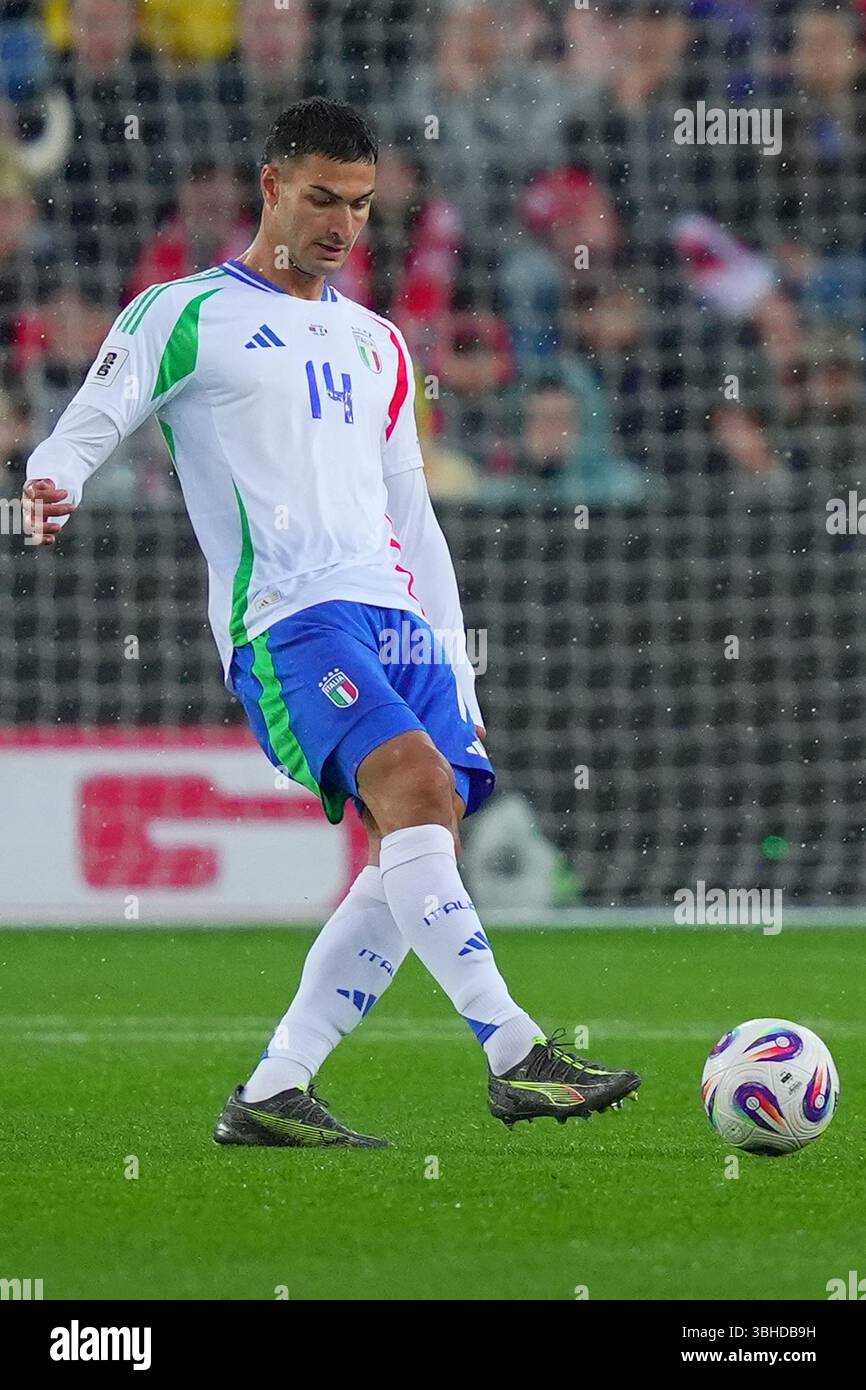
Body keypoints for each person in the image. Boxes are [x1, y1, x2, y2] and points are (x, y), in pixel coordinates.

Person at [21, 97, 640, 1148]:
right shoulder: (184, 313)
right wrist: (52, 478)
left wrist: (457, 668)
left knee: (423, 826)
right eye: (320, 198)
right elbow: (93, 416)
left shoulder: (379, 343)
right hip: (287, 617)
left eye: (358, 204)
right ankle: (513, 1052)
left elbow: (413, 516)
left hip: (395, 615)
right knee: (409, 791)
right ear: (271, 187)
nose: (342, 224)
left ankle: (276, 1086)